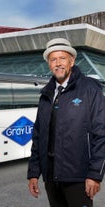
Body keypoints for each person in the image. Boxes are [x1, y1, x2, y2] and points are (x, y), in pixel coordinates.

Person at [27, 38, 105, 207]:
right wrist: (34, 173)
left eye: (62, 58)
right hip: (51, 176)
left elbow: (101, 133)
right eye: (53, 59)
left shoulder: (90, 89)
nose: (58, 63)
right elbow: (38, 136)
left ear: (72, 61)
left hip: (78, 176)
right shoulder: (46, 95)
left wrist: (94, 174)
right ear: (49, 64)